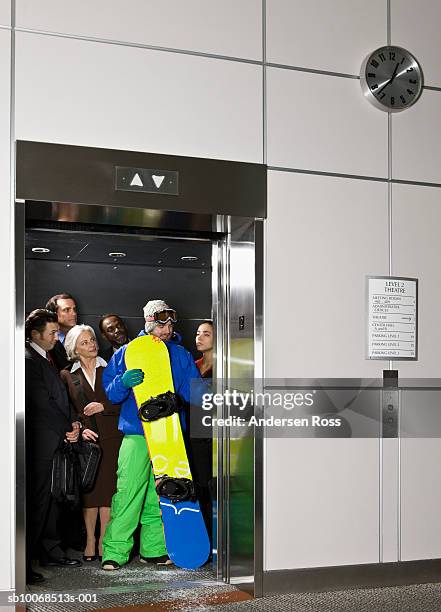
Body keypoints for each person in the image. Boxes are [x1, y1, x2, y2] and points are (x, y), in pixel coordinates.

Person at [101, 300, 202, 571]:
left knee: (162, 494)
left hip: (168, 435)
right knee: (128, 492)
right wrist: (122, 383)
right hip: (136, 434)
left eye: (170, 323)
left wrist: (220, 396)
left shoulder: (179, 354)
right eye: (161, 323)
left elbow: (194, 391)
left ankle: (154, 549)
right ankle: (114, 551)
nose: (167, 328)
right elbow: (110, 394)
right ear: (148, 322)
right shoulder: (126, 353)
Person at [25, 309, 82, 584]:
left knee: (49, 503)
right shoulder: (28, 360)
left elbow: (60, 399)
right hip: (42, 444)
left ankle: (45, 552)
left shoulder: (45, 358)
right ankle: (22, 564)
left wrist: (72, 424)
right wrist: (66, 427)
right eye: (52, 333)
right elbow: (42, 404)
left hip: (54, 440)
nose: (56, 337)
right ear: (35, 335)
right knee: (36, 503)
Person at [61, 324, 123, 562]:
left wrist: (103, 406)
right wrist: (80, 427)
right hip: (88, 441)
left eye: (93, 340)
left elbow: (127, 399)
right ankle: (89, 540)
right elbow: (67, 410)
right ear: (75, 349)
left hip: (113, 437)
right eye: (85, 342)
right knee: (90, 493)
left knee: (108, 491)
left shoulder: (111, 369)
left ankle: (104, 540)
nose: (92, 345)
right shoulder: (67, 375)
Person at [192, 320, 214, 547]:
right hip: (196, 436)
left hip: (218, 436)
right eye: (198, 333)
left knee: (215, 486)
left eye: (206, 334)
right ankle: (205, 540)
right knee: (200, 488)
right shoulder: (193, 365)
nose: (199, 337)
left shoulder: (227, 367)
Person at [45, 293, 78, 371]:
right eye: (66, 310)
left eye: (74, 309)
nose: (74, 314)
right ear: (54, 314)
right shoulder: (45, 342)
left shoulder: (83, 336)